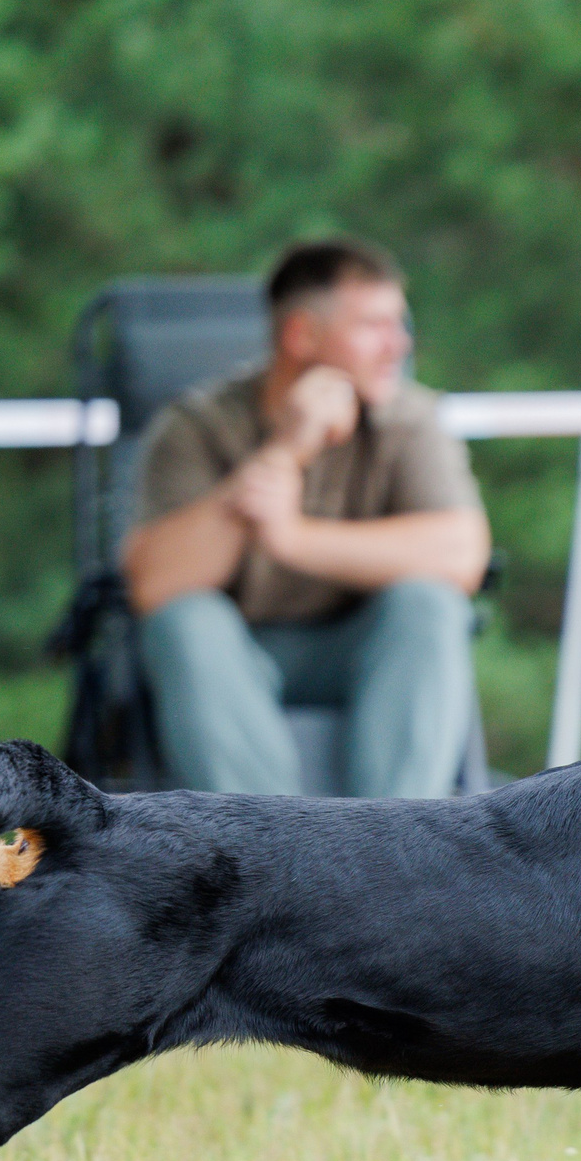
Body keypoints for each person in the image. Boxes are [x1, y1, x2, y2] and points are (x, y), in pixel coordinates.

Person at [126, 239, 490, 800]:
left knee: (431, 605)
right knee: (186, 620)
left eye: (399, 323)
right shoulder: (195, 426)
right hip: (237, 655)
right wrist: (288, 447)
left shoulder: (410, 419)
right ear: (301, 335)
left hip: (361, 650)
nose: (399, 344)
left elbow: (461, 554)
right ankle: (262, 862)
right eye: (374, 325)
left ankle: (393, 856)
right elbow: (155, 583)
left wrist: (294, 538)